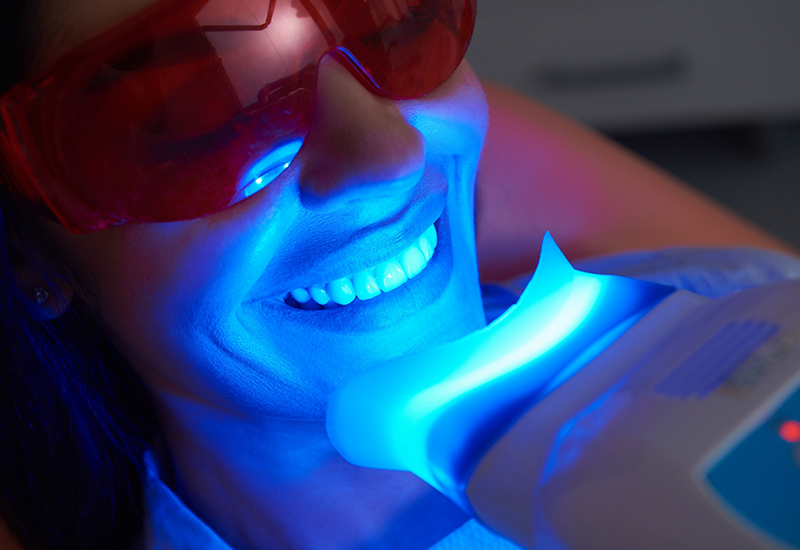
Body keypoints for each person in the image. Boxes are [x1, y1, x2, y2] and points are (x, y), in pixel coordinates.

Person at [0, 1, 797, 549]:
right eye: (197, 116)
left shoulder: (738, 302)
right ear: (29, 252)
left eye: (395, 23)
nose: (391, 154)